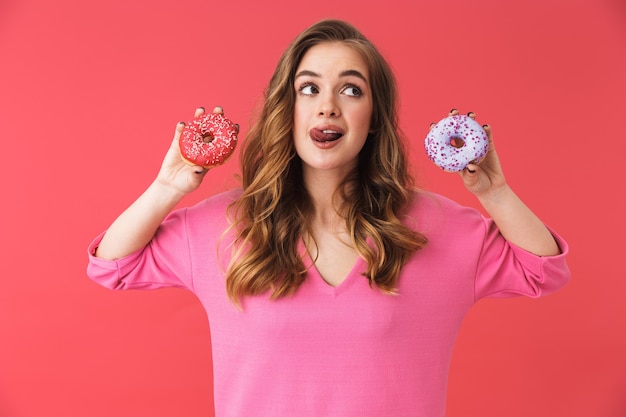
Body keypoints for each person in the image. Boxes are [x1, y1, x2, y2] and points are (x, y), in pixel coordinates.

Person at [87, 19, 570, 417]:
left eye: (352, 90)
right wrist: (167, 189)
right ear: (288, 107)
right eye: (309, 87)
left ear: (374, 114)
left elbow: (541, 270)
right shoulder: (223, 224)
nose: (327, 106)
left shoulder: (438, 227)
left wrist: (496, 192)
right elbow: (113, 265)